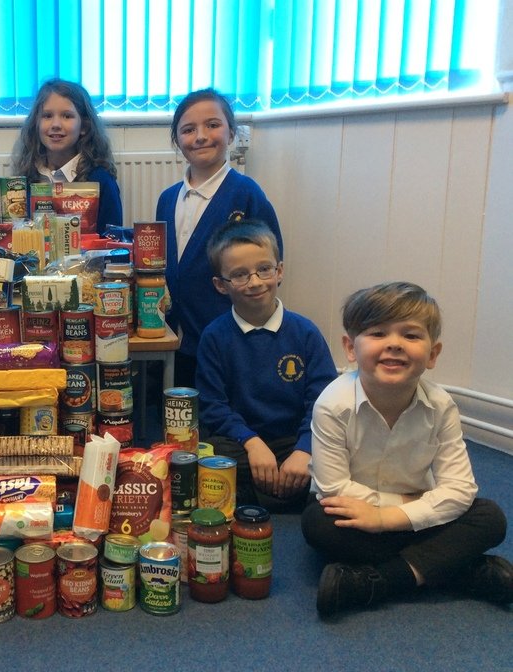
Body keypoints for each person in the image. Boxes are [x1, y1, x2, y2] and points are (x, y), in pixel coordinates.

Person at [302, 281, 511, 616]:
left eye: (411, 336)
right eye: (378, 333)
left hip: (409, 513)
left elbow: (460, 489)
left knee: (490, 518)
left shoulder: (441, 406)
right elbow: (334, 488)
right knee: (318, 523)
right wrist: (399, 509)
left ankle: (378, 581)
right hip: (356, 510)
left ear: (432, 354)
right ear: (350, 348)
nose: (394, 345)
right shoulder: (332, 404)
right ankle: (460, 570)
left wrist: (388, 518)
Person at [196, 220, 337, 510]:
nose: (256, 282)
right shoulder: (214, 336)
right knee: (213, 454)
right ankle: (285, 493)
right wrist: (251, 442)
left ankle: (267, 491)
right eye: (239, 275)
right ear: (220, 285)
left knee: (337, 454)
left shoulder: (306, 332)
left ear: (280, 270)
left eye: (264, 269)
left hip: (292, 439)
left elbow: (323, 404)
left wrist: (304, 450)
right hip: (243, 443)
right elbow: (214, 407)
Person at [156, 89, 282, 388]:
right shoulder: (167, 199)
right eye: (188, 129)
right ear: (177, 140)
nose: (200, 136)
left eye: (212, 125)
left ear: (231, 133)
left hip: (228, 337)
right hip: (176, 334)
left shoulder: (246, 194)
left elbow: (270, 267)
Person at [11, 78, 122, 236]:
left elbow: (113, 241)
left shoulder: (101, 181)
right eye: (47, 116)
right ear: (36, 124)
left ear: (84, 126)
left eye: (67, 116)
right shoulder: (27, 178)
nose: (56, 124)